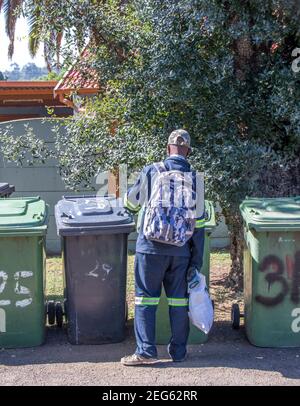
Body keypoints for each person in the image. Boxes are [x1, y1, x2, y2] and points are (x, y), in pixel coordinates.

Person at [121, 129, 205, 366]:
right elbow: (198, 227)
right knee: (179, 301)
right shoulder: (196, 179)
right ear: (188, 151)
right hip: (181, 250)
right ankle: (178, 352)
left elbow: (131, 203)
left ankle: (146, 352)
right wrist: (195, 262)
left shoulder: (152, 170)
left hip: (149, 248)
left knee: (145, 299)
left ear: (168, 148)